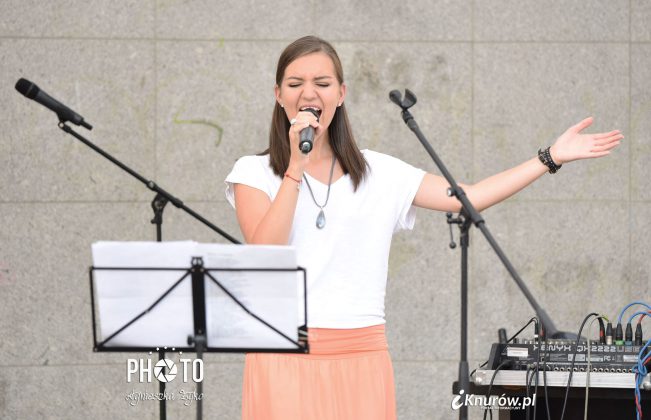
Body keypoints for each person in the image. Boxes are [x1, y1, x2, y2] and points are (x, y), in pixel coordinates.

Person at [224, 35, 622, 420]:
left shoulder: (379, 172)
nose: (309, 93)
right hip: (283, 355)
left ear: (341, 94)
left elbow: (470, 196)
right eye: (295, 83)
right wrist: (295, 167)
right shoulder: (253, 172)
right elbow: (266, 251)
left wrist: (550, 157)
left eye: (322, 83)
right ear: (279, 95)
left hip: (360, 354)